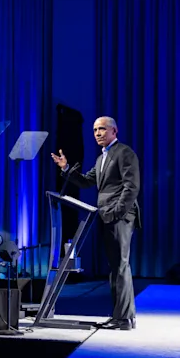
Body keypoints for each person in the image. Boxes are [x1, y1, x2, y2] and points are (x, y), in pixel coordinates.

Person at [51, 116, 140, 330]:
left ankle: (125, 318)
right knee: (115, 267)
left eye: (102, 129)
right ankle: (119, 315)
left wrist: (116, 212)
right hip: (106, 215)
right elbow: (86, 181)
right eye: (94, 130)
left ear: (114, 131)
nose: (97, 134)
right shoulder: (101, 158)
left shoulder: (124, 152)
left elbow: (131, 187)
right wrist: (66, 169)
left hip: (119, 216)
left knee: (120, 266)